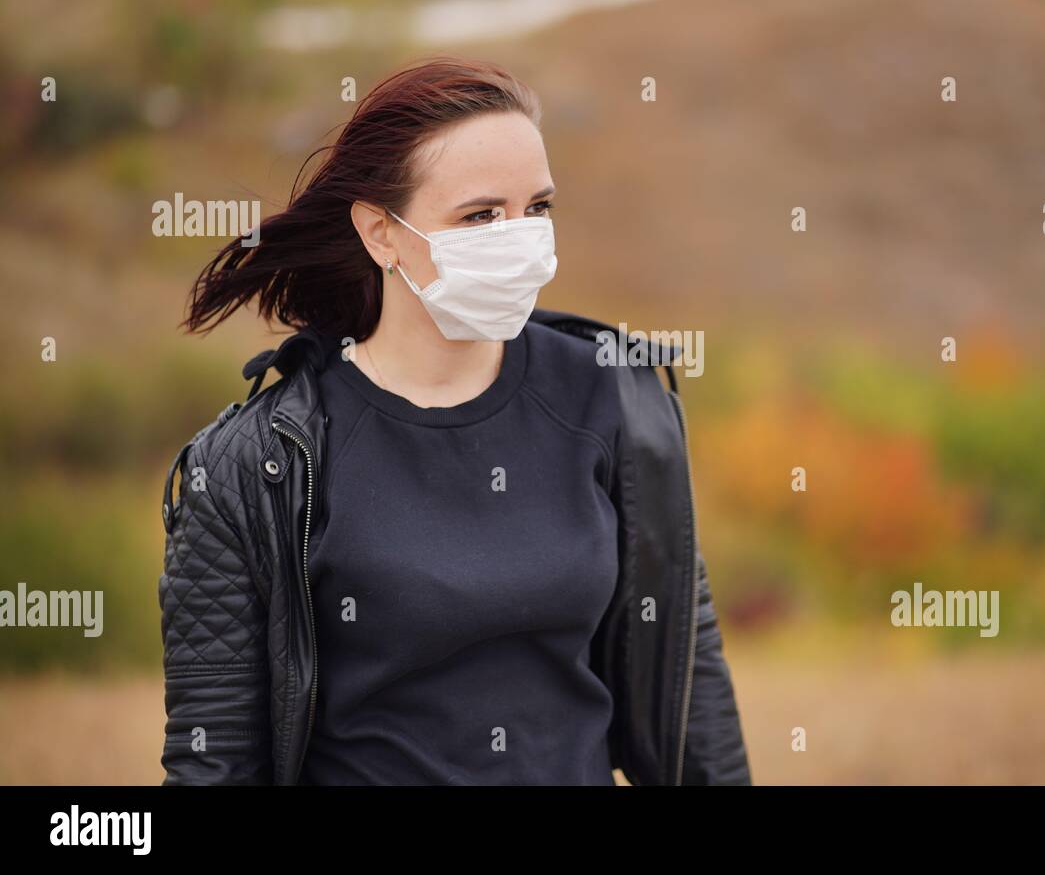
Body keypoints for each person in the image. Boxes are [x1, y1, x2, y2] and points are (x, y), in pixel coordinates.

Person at [156, 55, 751, 785]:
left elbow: (689, 692)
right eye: (480, 216)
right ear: (381, 233)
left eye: (537, 208)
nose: (520, 237)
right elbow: (213, 763)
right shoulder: (260, 463)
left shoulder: (616, 400)